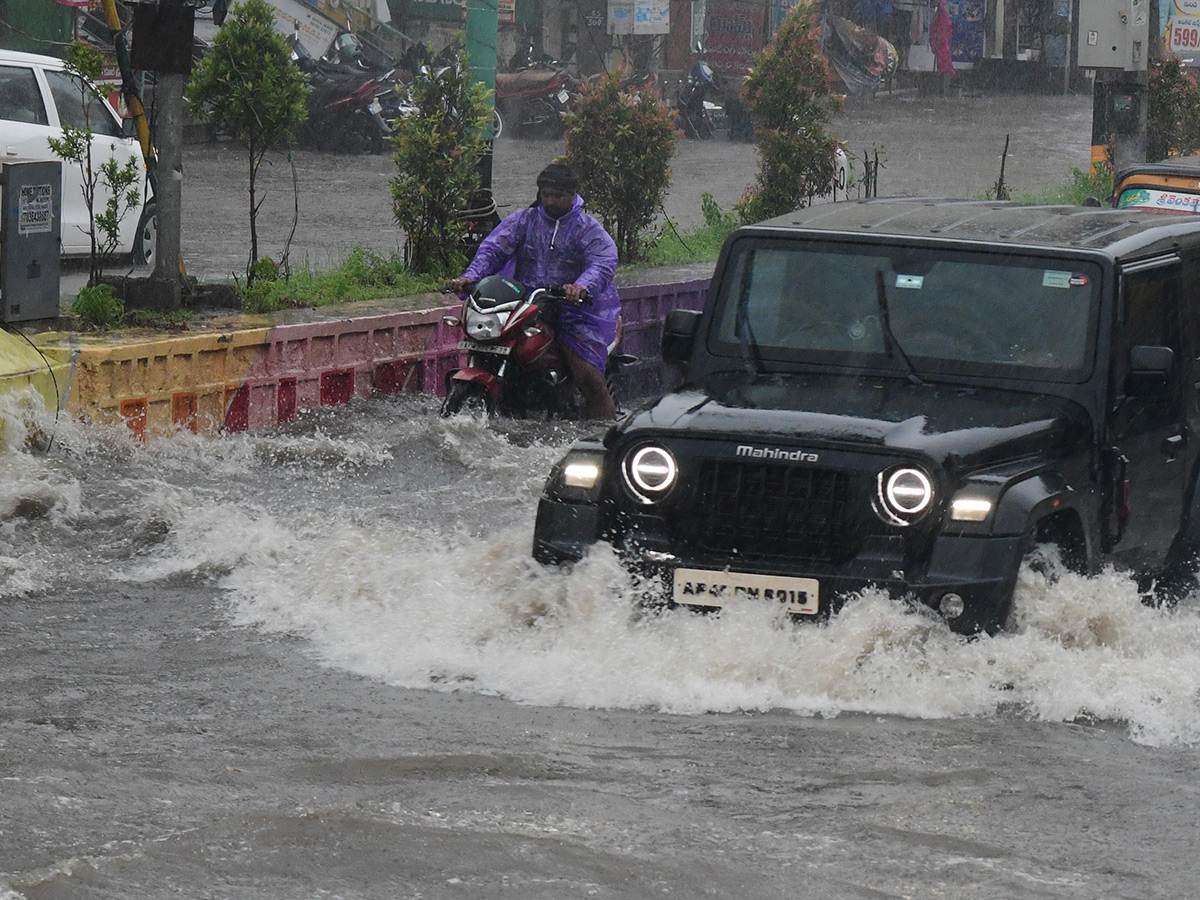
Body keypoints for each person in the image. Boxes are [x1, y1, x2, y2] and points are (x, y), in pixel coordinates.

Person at [447, 163, 620, 420]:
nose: (550, 201)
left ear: (572, 195)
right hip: (526, 306)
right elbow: (493, 250)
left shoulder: (586, 228)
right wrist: (469, 277)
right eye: (546, 194)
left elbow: (602, 261)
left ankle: (606, 429)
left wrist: (581, 287)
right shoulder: (524, 220)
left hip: (573, 310)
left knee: (588, 377)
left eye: (557, 195)